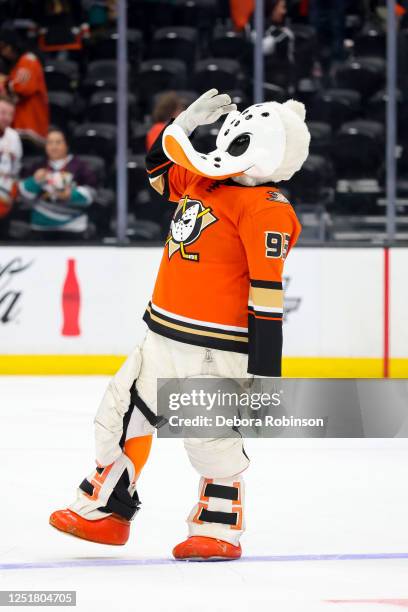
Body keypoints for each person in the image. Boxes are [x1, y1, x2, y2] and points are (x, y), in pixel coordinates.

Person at [49, 90, 310, 560]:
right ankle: (106, 510)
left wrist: (265, 370)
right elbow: (157, 169)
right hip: (160, 332)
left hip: (216, 346)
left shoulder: (269, 207)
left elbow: (267, 292)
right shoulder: (204, 181)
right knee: (118, 417)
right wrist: (184, 123)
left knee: (209, 440)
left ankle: (218, 530)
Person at [19, 128, 96, 236]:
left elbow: (91, 194)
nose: (54, 147)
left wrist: (71, 195)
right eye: (50, 143)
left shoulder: (80, 166)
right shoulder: (37, 166)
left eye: (58, 142)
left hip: (73, 228)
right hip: (40, 228)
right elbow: (24, 195)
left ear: (67, 145)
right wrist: (34, 181)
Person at [0, 29, 49, 154]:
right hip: (17, 129)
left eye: (5, 47)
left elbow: (23, 88)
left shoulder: (28, 60)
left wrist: (4, 82)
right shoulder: (16, 66)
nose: (4, 52)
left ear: (14, 44)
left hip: (29, 129)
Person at [0, 95, 22, 238]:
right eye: (2, 112)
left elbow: (15, 168)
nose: (7, 118)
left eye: (10, 114)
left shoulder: (14, 137)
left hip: (4, 198)